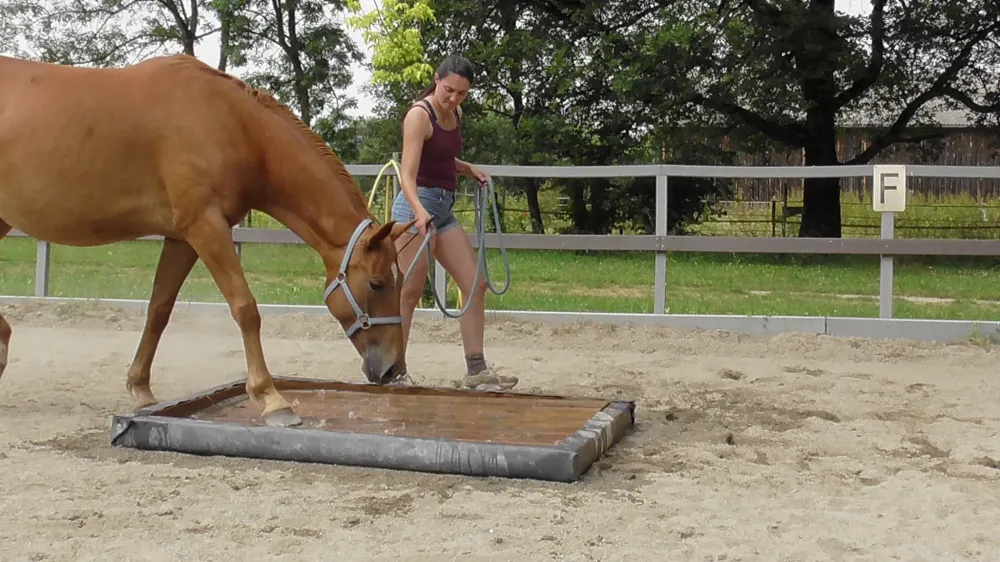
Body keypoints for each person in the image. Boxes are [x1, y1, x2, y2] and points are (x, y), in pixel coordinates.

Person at [386, 54, 519, 392]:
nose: (454, 99)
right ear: (436, 80)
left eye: (462, 94)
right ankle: (394, 370)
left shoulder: (455, 114)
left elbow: (443, 157)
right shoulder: (419, 116)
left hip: (442, 209)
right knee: (410, 291)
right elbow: (408, 175)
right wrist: (418, 212)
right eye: (449, 91)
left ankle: (476, 370)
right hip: (414, 210)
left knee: (475, 283)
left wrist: (467, 167)